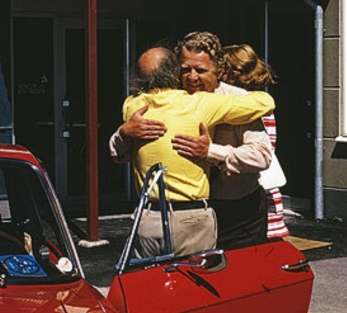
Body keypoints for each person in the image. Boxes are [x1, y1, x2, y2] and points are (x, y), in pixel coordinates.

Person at [219, 43, 332, 313]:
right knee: (269, 269)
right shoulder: (261, 103)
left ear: (231, 73)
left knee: (262, 271)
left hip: (254, 197)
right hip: (267, 195)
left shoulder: (245, 108)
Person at [113, 32, 274, 250]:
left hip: (238, 213)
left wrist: (211, 152)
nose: (192, 77)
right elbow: (119, 152)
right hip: (187, 214)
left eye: (200, 70)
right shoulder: (165, 98)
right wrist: (124, 133)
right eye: (185, 69)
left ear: (220, 70)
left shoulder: (239, 101)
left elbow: (262, 156)